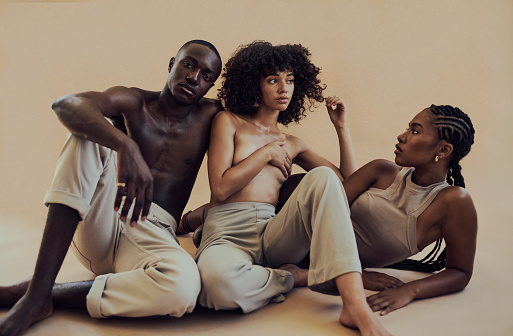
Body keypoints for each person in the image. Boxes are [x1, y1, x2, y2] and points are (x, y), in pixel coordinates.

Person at [0, 39, 223, 336]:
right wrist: (125, 145)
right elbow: (66, 103)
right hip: (103, 219)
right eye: (189, 64)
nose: (194, 78)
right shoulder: (133, 102)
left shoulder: (212, 116)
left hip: (152, 235)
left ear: (210, 86)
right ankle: (35, 294)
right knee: (86, 134)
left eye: (207, 76)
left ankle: (45, 294)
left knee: (183, 287)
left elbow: (252, 139)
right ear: (172, 64)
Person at [183, 103, 477, 318]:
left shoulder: (454, 202)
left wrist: (409, 291)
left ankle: (206, 222)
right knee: (285, 189)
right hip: (293, 221)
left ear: (444, 150)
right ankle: (203, 217)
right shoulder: (383, 170)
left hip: (297, 249)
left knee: (290, 192)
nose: (402, 136)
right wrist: (355, 275)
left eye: (414, 131)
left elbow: (460, 271)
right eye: (407, 127)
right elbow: (331, 196)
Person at [193, 40, 391, 336]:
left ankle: (355, 307)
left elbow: (345, 185)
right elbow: (220, 189)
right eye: (273, 80)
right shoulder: (228, 122)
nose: (284, 88)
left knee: (322, 176)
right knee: (217, 287)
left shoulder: (293, 143)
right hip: (227, 234)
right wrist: (265, 154)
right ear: (253, 85)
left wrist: (341, 129)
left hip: (275, 234)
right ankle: (297, 277)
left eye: (290, 80)